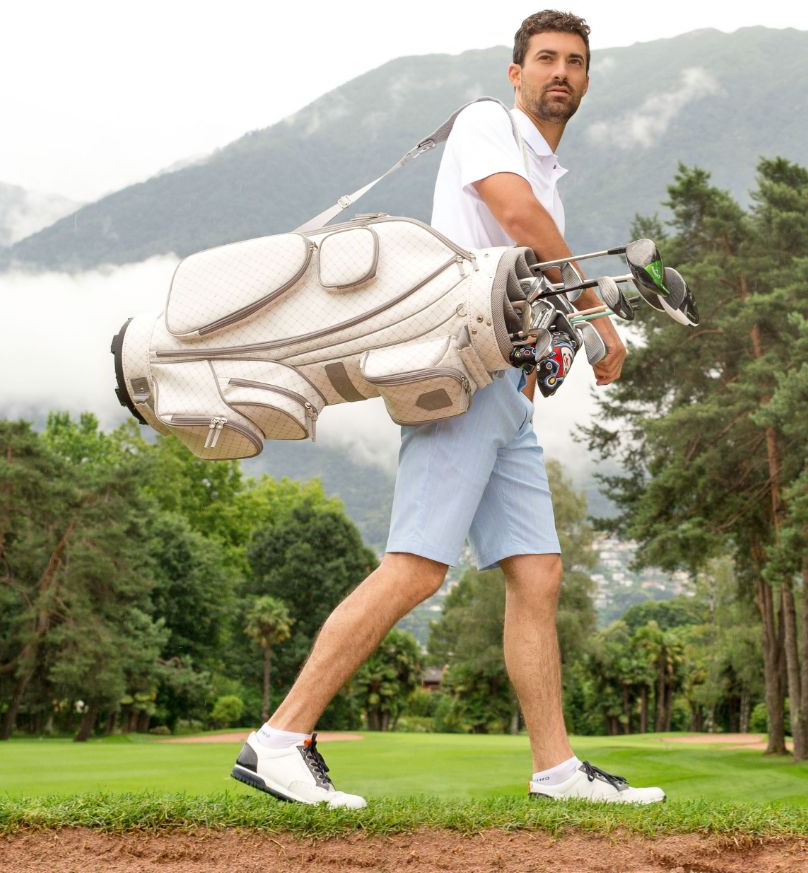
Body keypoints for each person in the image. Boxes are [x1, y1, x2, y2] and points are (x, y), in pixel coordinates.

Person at [231, 10, 665, 807]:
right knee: (417, 567)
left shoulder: (546, 169)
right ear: (516, 73)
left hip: (506, 397)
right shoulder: (486, 125)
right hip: (461, 380)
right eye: (545, 58)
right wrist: (598, 320)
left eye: (574, 61)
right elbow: (517, 219)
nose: (560, 72)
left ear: (587, 79)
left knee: (537, 572)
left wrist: (559, 343)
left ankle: (556, 769)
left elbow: (528, 265)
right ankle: (279, 739)